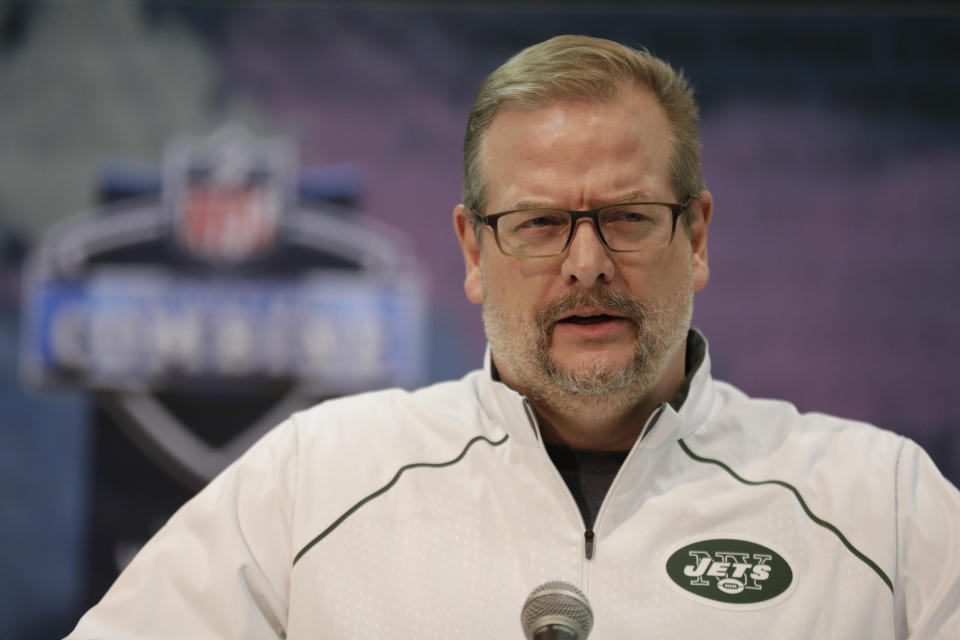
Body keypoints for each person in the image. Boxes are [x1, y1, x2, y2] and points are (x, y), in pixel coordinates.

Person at [67, 35, 959, 639]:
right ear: (471, 249)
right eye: (539, 223)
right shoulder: (312, 482)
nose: (586, 264)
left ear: (697, 237)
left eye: (629, 216)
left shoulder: (878, 504)